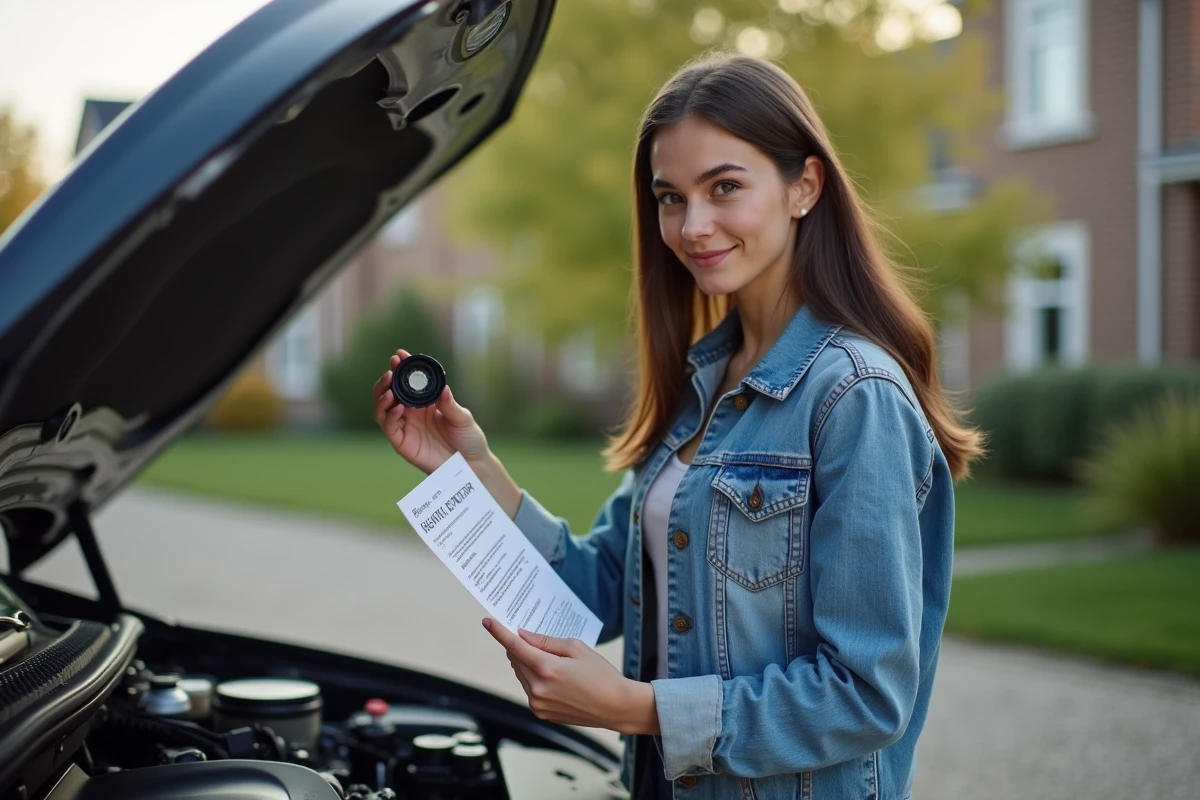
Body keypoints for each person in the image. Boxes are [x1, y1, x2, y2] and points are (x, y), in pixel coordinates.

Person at [373, 52, 980, 800]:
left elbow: (868, 694)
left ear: (804, 187)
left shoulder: (855, 396)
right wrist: (471, 468)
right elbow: (598, 595)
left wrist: (636, 708)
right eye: (670, 197)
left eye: (725, 187)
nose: (693, 226)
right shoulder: (702, 383)